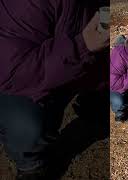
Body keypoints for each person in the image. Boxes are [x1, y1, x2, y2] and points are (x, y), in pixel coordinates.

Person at [0, 0, 109, 179]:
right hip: (16, 80)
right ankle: (30, 163)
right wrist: (82, 46)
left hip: (68, 57)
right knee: (27, 123)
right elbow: (15, 70)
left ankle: (94, 105)